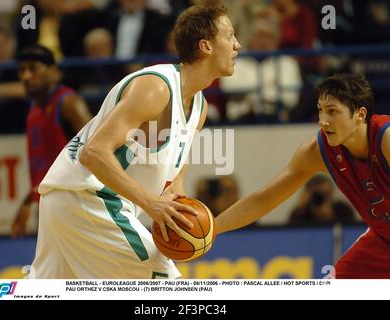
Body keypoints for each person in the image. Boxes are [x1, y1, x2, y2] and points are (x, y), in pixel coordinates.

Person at [28, 4, 240, 279]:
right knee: (164, 284)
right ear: (206, 46)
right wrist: (152, 204)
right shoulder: (156, 87)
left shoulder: (198, 107)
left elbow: (174, 179)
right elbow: (93, 153)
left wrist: (180, 218)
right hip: (88, 198)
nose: (237, 45)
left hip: (66, 201)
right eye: (230, 36)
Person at [216, 73, 390, 279]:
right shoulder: (317, 150)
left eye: (332, 112)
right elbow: (263, 200)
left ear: (360, 114)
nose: (323, 121)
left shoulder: (385, 139)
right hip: (382, 240)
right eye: (320, 111)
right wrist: (211, 229)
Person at [10, 45, 92, 238]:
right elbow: (46, 167)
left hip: (76, 204)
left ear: (54, 71)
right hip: (50, 202)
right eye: (21, 70)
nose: (25, 76)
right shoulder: (34, 108)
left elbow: (97, 150)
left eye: (33, 68)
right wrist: (29, 200)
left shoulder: (69, 103)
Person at [288, 174, 355, 225]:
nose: (320, 198)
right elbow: (293, 233)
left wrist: (330, 216)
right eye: (317, 195)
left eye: (325, 194)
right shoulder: (302, 212)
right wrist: (301, 208)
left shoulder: (343, 209)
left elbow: (349, 232)